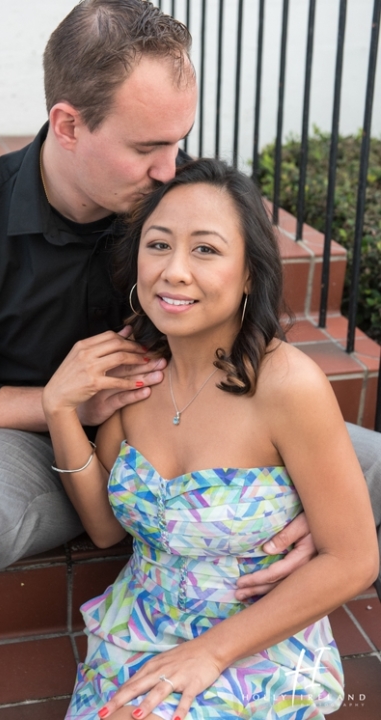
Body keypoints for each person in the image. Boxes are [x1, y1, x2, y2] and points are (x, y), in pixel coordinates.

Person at [0, 2, 381, 719]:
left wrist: (314, 509)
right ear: (68, 125)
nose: (169, 170)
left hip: (195, 421)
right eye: (147, 148)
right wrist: (61, 401)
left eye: (178, 142)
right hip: (37, 440)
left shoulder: (174, 199)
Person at [48, 158, 377, 719]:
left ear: (249, 272)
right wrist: (59, 409)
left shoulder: (289, 387)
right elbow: (104, 529)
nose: (174, 271)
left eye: (205, 249)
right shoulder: (140, 376)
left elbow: (352, 559)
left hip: (253, 645)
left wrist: (209, 652)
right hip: (138, 631)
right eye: (158, 245)